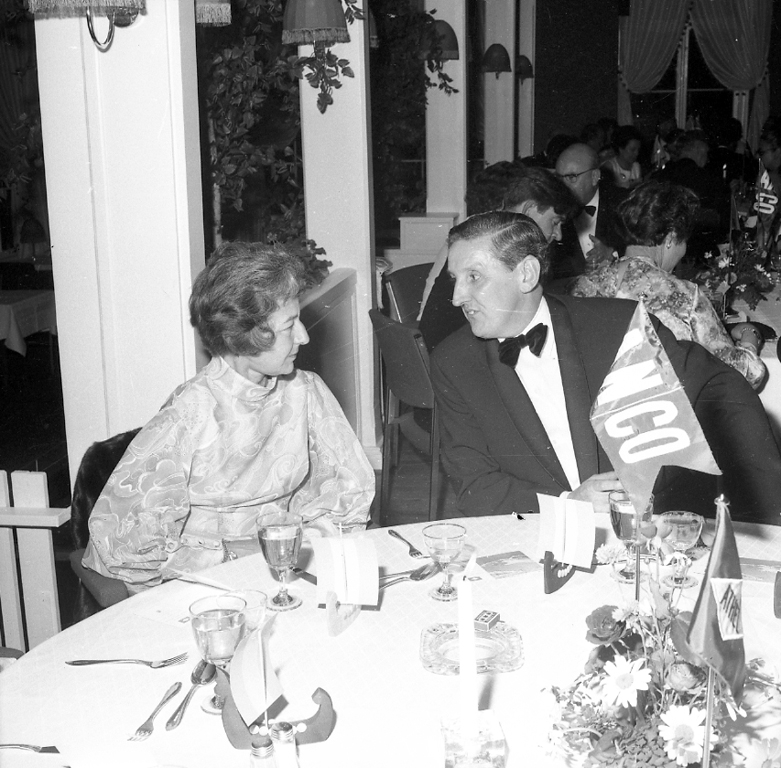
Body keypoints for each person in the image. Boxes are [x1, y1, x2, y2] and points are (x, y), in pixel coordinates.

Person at [430, 211, 781, 523]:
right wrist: (568, 504)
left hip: (642, 529)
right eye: (454, 278)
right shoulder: (454, 362)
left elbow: (721, 390)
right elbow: (474, 485)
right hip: (538, 530)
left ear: (526, 274)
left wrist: (760, 514)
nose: (457, 297)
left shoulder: (619, 328)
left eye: (473, 277)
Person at [82, 242, 375, 593]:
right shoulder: (190, 412)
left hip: (286, 565)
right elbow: (125, 543)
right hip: (204, 585)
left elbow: (348, 494)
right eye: (290, 325)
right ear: (245, 336)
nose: (304, 336)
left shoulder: (305, 391)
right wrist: (234, 556)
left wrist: (296, 546)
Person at [570, 180, 766, 389]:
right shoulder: (686, 296)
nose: (683, 251)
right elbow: (745, 376)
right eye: (684, 241)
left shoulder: (583, 285)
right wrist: (750, 337)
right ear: (671, 237)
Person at [418, 166, 578, 351]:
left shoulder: (503, 243)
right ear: (529, 210)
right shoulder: (485, 246)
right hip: (456, 351)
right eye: (555, 222)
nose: (558, 235)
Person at [554, 143, 628, 278]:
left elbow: (640, 254)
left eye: (571, 177)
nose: (563, 186)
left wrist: (612, 254)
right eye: (559, 178)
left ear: (594, 177)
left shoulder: (622, 204)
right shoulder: (552, 209)